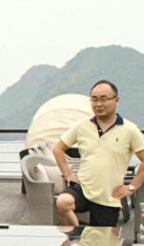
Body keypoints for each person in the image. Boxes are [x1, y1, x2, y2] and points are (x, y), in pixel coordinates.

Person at [54, 80, 144, 227]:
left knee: (101, 240)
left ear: (116, 100)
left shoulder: (130, 130)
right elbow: (58, 149)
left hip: (108, 196)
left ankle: (88, 240)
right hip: (82, 188)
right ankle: (77, 237)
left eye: (103, 99)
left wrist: (131, 187)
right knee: (63, 202)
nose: (98, 104)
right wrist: (68, 174)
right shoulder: (82, 126)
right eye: (94, 99)